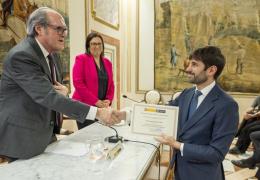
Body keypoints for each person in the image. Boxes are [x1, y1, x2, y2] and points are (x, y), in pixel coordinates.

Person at [0, 7, 123, 161]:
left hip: (45, 134)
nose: (64, 34)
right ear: (39, 29)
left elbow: (53, 91)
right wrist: (98, 112)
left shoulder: (53, 56)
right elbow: (49, 96)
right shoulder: (22, 56)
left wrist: (64, 92)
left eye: (65, 30)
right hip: (22, 138)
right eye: (59, 29)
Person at [155, 46, 239, 180]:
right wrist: (126, 115)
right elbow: (164, 112)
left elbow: (216, 153)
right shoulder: (186, 94)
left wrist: (177, 145)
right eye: (189, 64)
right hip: (180, 170)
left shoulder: (227, 105)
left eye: (194, 65)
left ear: (211, 70)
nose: (188, 69)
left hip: (203, 175)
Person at [72, 32, 114, 129]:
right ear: (88, 46)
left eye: (99, 44)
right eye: (93, 44)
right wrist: (96, 101)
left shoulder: (107, 63)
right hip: (85, 107)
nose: (97, 46)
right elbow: (78, 83)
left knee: (102, 134)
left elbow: (111, 84)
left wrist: (108, 100)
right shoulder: (81, 59)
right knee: (88, 138)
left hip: (103, 108)